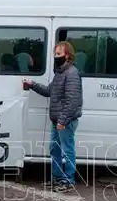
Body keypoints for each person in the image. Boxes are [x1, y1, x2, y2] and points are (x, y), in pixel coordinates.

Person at [22, 41, 83, 192]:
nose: (56, 57)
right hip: (57, 120)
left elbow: (72, 101)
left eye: (58, 54)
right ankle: (57, 178)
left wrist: (62, 120)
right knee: (54, 149)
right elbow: (50, 91)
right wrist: (32, 84)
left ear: (67, 55)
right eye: (55, 54)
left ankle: (68, 180)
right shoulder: (60, 73)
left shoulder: (71, 73)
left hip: (65, 121)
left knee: (67, 150)